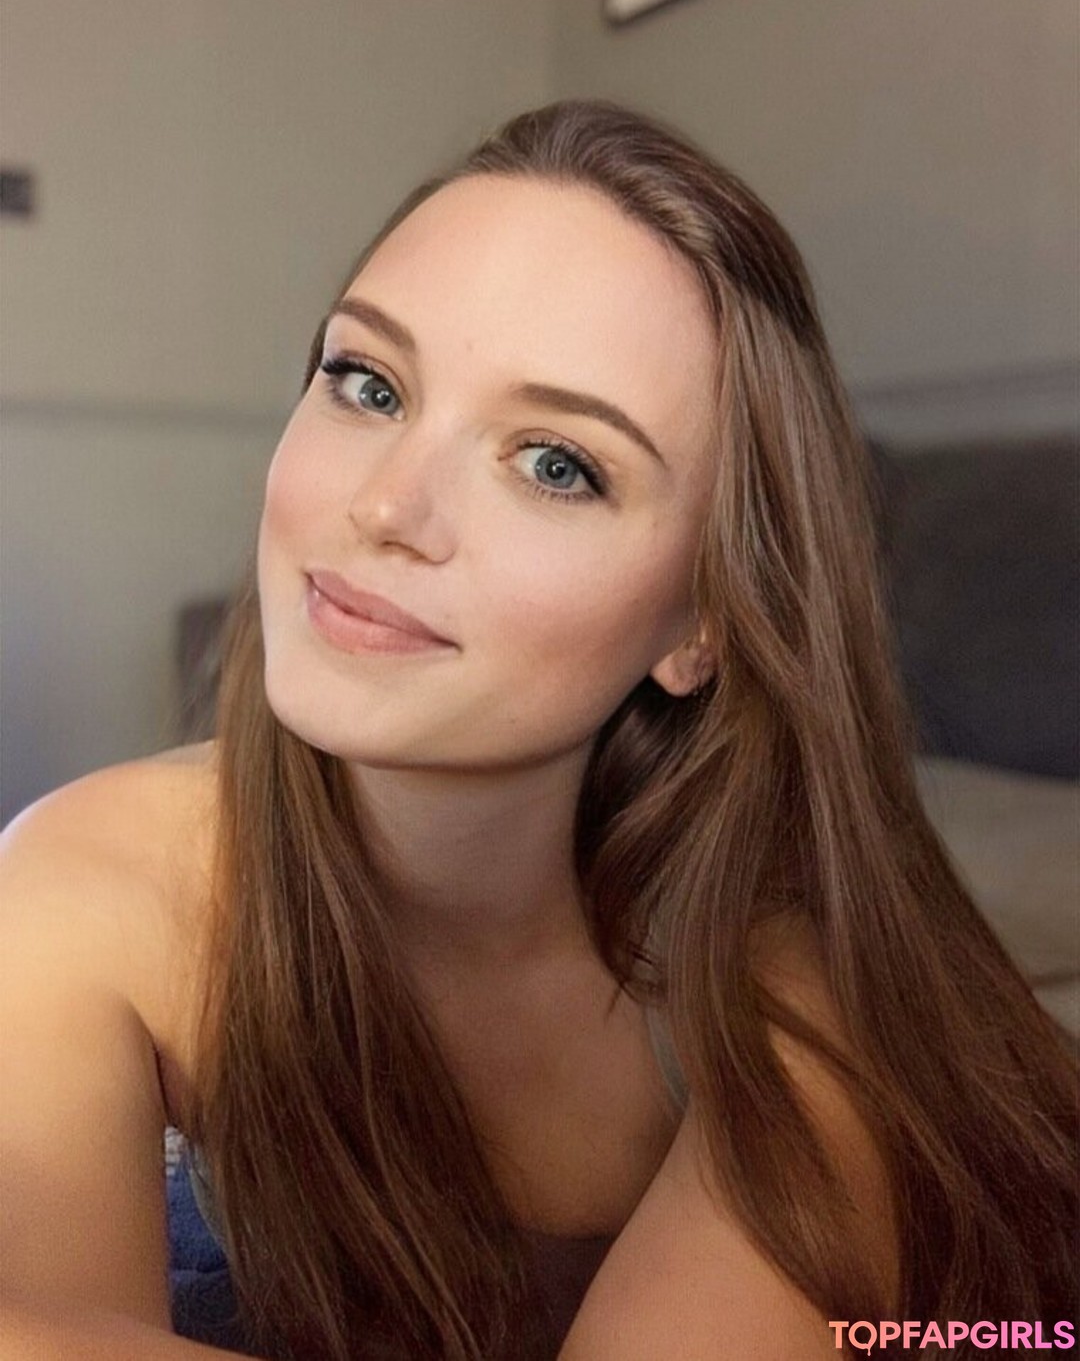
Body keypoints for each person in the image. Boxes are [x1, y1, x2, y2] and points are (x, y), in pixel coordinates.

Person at [0, 100, 1075, 1361]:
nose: (386, 506)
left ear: (704, 620)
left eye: (557, 463)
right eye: (368, 384)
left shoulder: (792, 977)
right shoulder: (82, 883)